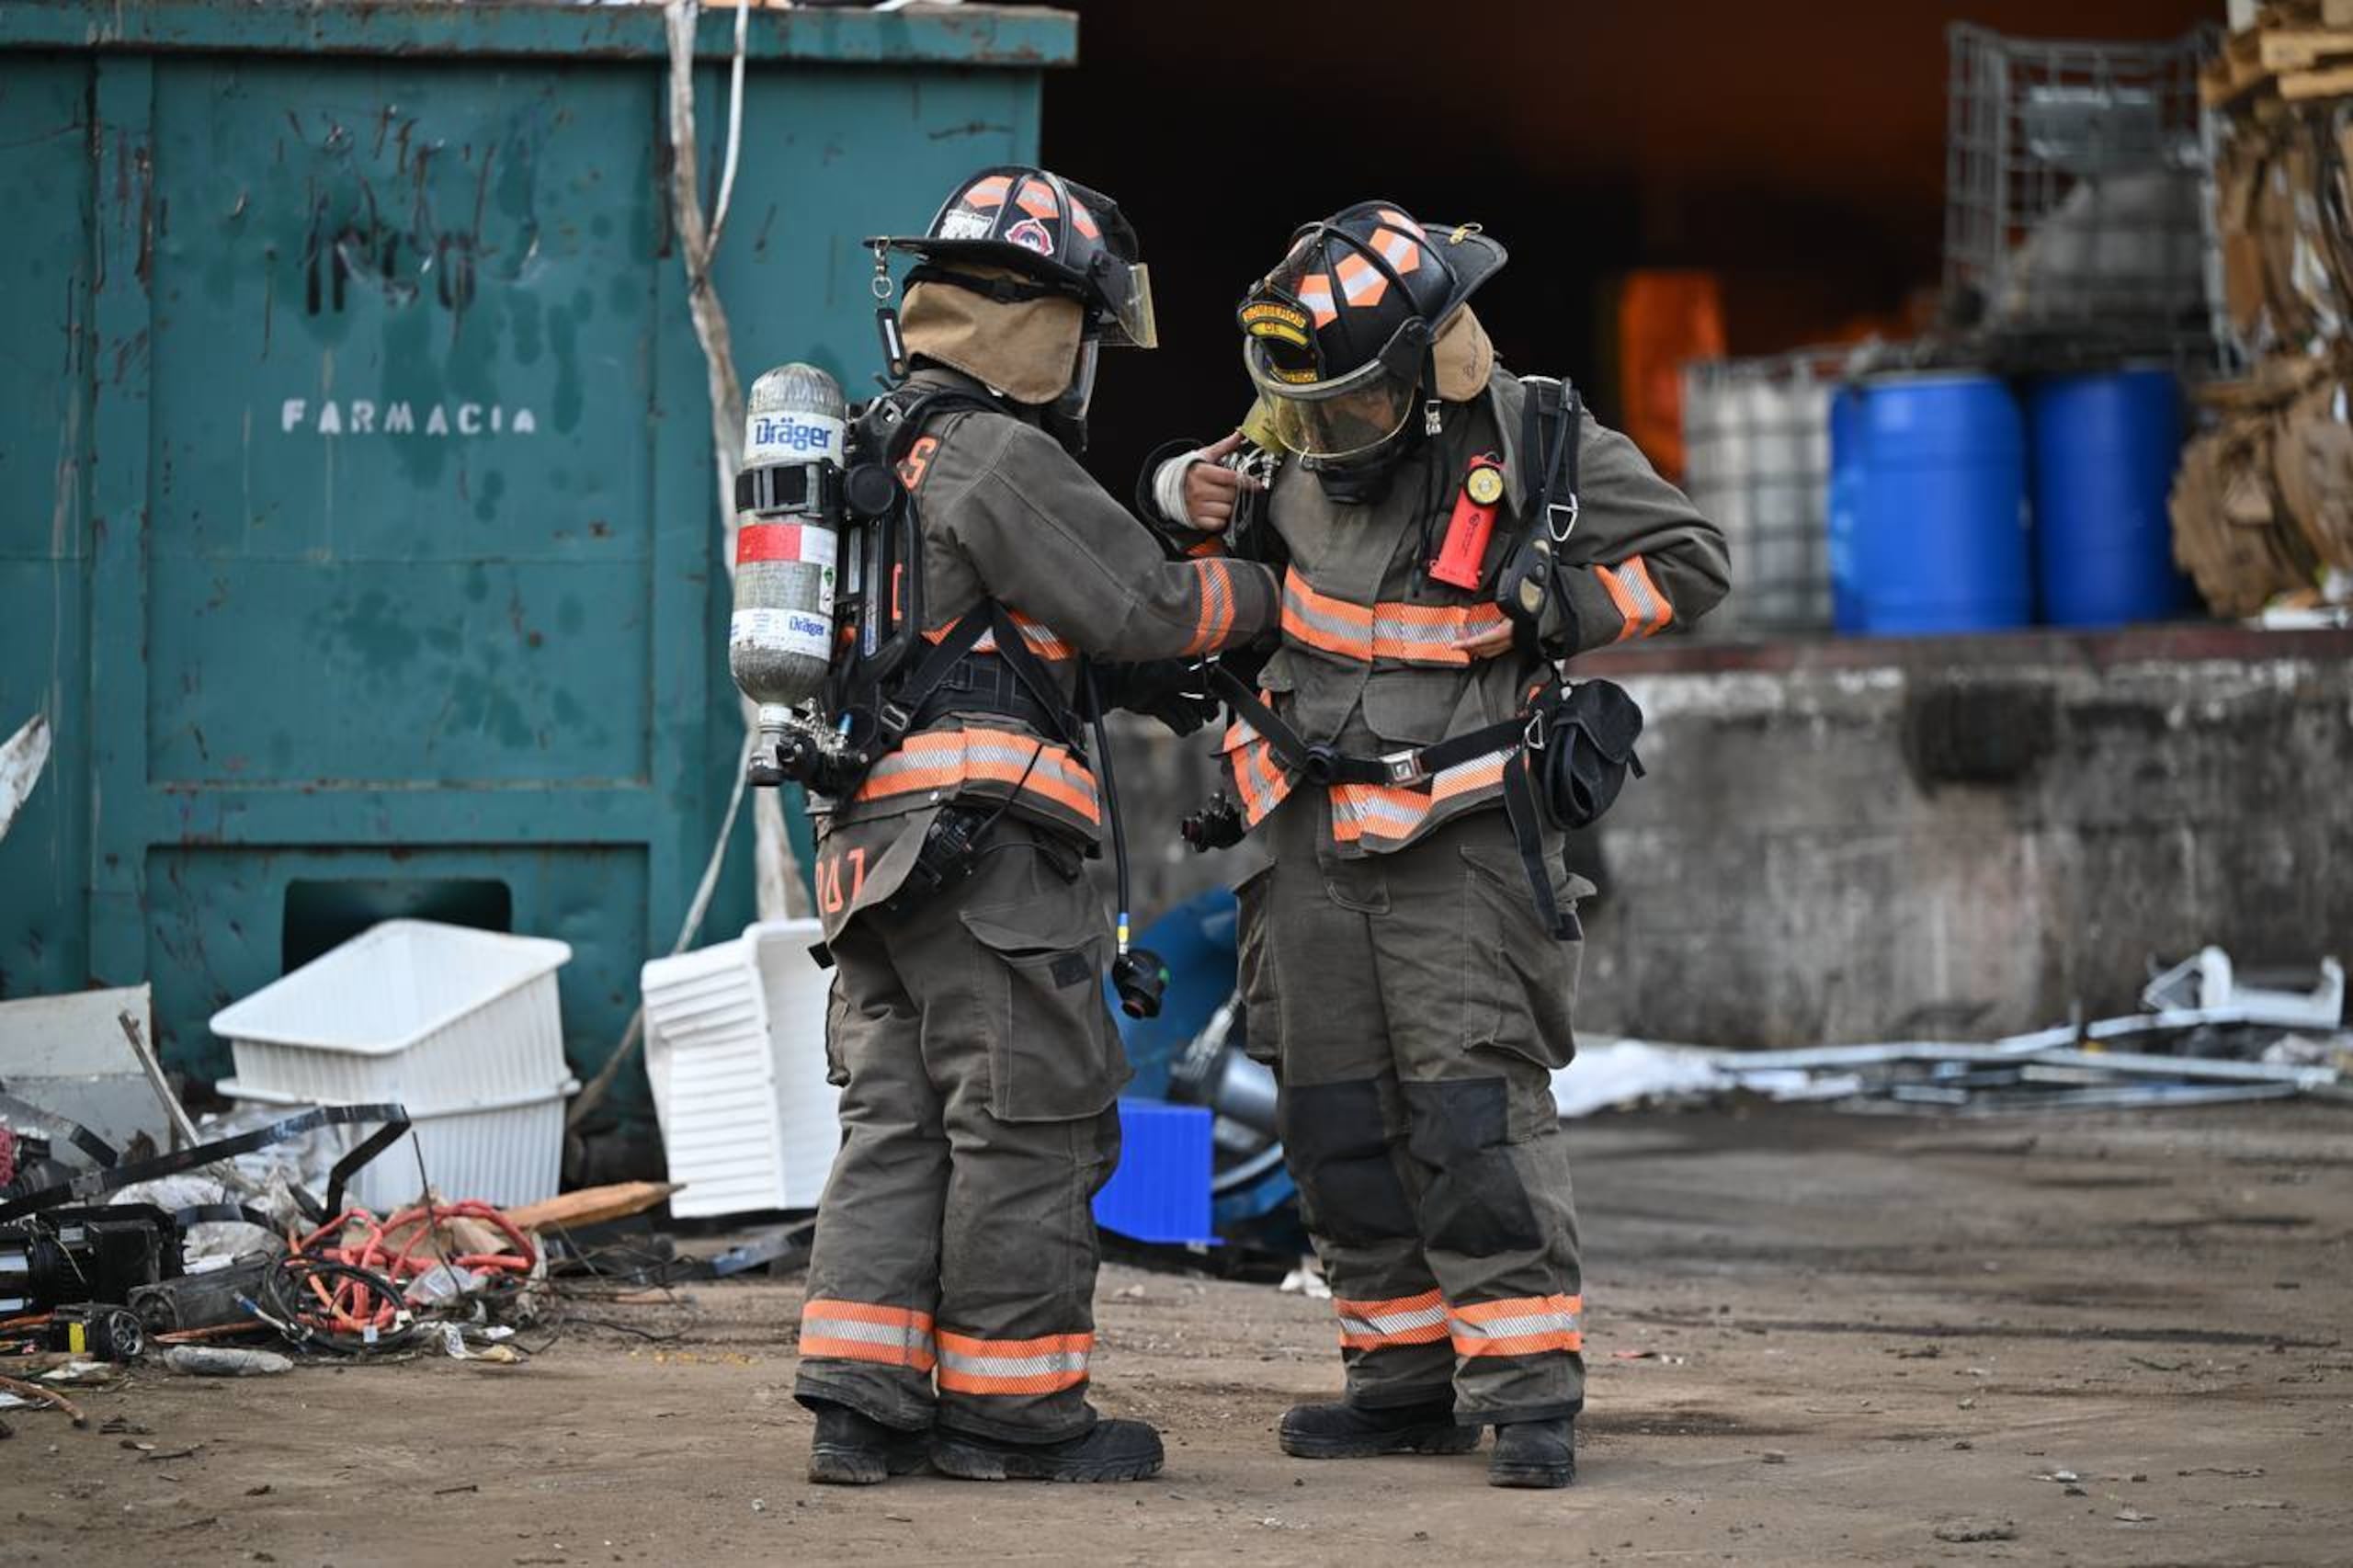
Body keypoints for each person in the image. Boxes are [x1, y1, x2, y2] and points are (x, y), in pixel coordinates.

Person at [1142, 201, 1729, 1488]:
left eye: (1352, 410)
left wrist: (1558, 602)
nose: (1319, 440)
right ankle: (1397, 1383)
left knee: (1474, 1111)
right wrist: (1175, 483)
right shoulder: (1298, 407)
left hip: (1460, 839)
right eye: (1304, 414)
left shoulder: (1539, 435)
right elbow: (1204, 500)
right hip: (1304, 833)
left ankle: (1527, 1390)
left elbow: (1693, 559)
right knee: (1334, 1115)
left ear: (1420, 372)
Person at [791, 165, 1279, 1486]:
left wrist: (1171, 522)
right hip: (993, 855)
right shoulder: (996, 451)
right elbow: (1146, 610)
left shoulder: (875, 446)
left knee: (898, 1117)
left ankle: (860, 1398)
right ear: (1049, 324)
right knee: (1028, 1121)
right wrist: (1260, 587)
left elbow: (1028, 636)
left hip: (871, 861)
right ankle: (1014, 1413)